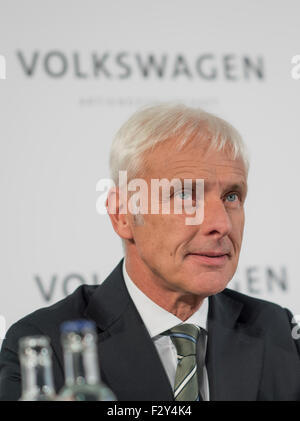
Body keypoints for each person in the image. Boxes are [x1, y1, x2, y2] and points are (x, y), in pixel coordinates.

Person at [1, 103, 300, 401]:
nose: (221, 224)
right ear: (122, 215)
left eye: (231, 196)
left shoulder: (280, 332)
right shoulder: (44, 346)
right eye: (185, 195)